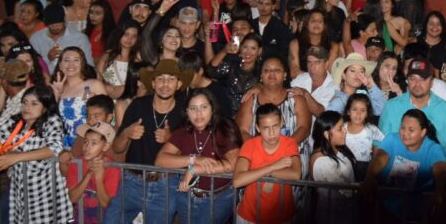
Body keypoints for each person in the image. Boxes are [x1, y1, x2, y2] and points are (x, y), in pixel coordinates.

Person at [105, 58, 190, 224]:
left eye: (171, 79)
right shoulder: (138, 105)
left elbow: (190, 156)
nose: (165, 84)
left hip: (165, 184)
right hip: (131, 181)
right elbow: (117, 147)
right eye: (160, 79)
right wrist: (127, 133)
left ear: (178, 84)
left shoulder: (184, 112)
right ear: (153, 83)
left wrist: (170, 139)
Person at [0, 84, 75, 224]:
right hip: (20, 192)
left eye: (34, 104)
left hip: (46, 193)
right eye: (24, 102)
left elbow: (55, 147)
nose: (26, 107)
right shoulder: (16, 121)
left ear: (45, 107)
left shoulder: (51, 121)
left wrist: (15, 157)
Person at [156, 87, 241, 224]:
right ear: (187, 112)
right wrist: (193, 159)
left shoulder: (224, 128)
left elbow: (234, 164)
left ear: (212, 109)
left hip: (218, 197)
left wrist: (194, 169)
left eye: (203, 107)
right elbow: (160, 160)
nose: (198, 113)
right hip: (186, 195)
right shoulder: (182, 132)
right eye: (193, 108)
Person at [377, 56, 446, 175]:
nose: (417, 84)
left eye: (423, 79)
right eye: (412, 78)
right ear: (407, 81)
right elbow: (379, 145)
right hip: (390, 182)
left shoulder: (445, 110)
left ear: (431, 82)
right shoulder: (391, 106)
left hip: (430, 182)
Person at [364, 108, 446, 219]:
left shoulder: (433, 148)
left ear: (423, 132)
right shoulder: (392, 139)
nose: (405, 133)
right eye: (402, 128)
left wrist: (439, 191)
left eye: (411, 130)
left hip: (417, 213)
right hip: (386, 207)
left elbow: (440, 169)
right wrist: (369, 177)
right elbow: (380, 158)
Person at [232, 102, 302, 224]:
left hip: (282, 216)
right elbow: (237, 181)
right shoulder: (250, 145)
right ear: (258, 128)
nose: (271, 133)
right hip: (249, 216)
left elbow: (295, 174)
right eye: (265, 128)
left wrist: (267, 173)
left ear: (281, 124)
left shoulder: (289, 144)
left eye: (275, 126)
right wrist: (273, 167)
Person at [66, 122, 122, 224]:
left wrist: (98, 177)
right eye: (85, 142)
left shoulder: (113, 168)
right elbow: (73, 198)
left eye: (94, 143)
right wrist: (88, 174)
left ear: (105, 147)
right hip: (81, 215)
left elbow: (105, 203)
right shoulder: (76, 163)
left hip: (104, 217)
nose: (87, 147)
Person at [310, 110, 359, 219]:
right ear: (327, 134)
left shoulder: (338, 149)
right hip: (332, 215)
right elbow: (346, 188)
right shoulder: (321, 161)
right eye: (340, 128)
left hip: (345, 210)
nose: (345, 130)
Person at [30, 3, 94, 73]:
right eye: (51, 24)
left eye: (58, 23)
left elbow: (88, 65)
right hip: (44, 80)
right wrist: (47, 59)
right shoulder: (36, 39)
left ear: (64, 20)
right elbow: (31, 67)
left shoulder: (79, 38)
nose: (55, 27)